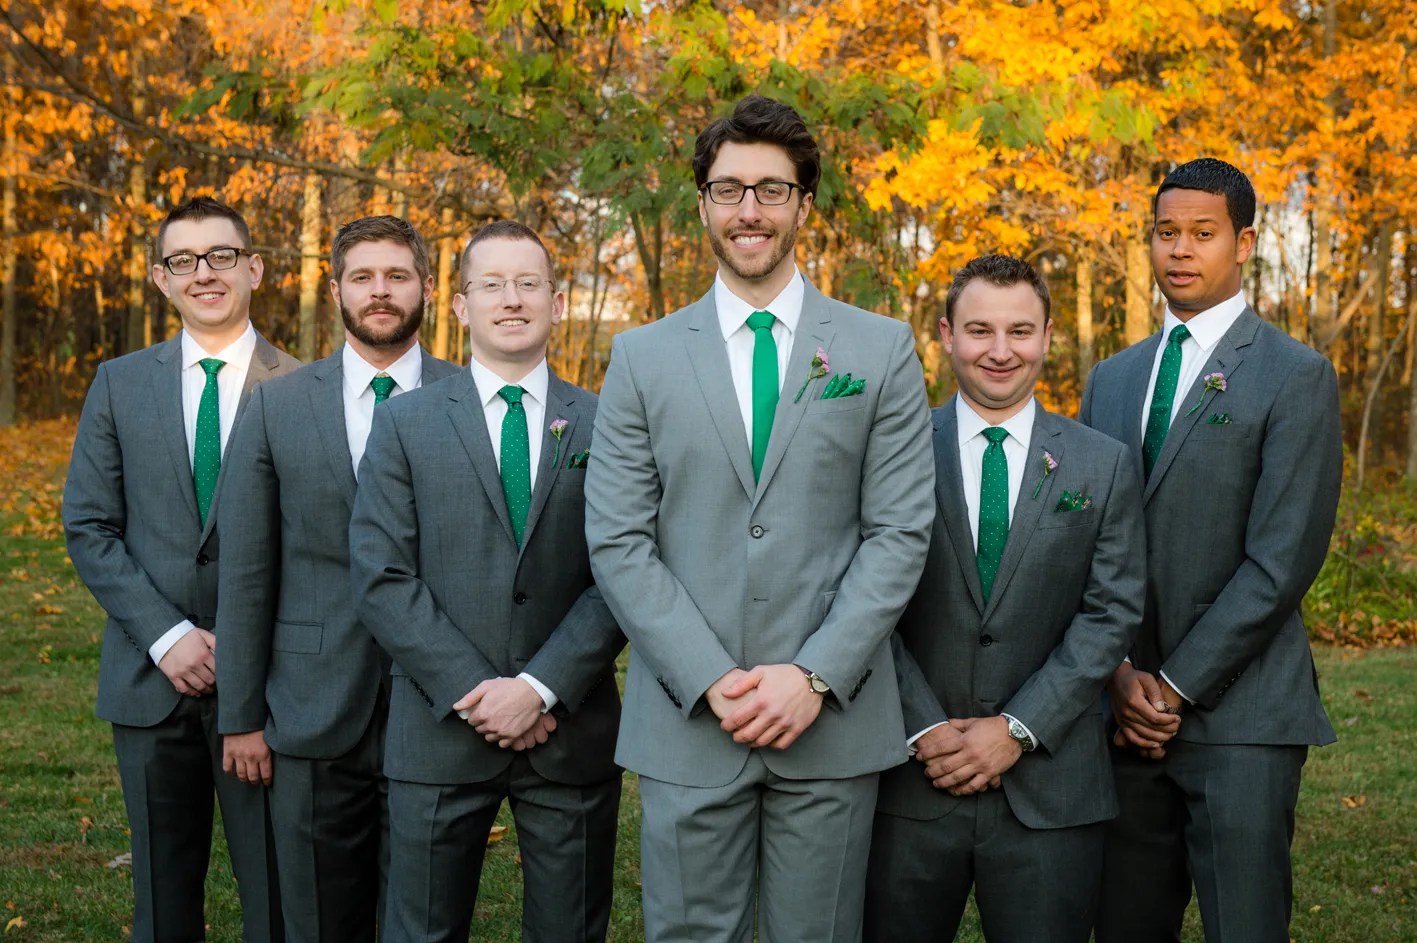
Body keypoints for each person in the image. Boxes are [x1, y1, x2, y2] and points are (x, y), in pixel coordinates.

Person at [584, 94, 935, 943]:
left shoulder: (879, 348)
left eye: (771, 190)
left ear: (803, 204)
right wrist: (711, 677)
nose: (749, 209)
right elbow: (618, 538)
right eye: (729, 189)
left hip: (830, 723)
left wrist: (811, 675)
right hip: (689, 721)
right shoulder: (640, 356)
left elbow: (898, 532)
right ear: (702, 203)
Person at [1080, 157, 1342, 942]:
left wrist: (1173, 686)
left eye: (1202, 233)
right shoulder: (1110, 379)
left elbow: (1280, 560)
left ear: (1244, 243)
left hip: (1242, 717)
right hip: (1122, 717)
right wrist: (1119, 675)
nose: (1180, 250)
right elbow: (1085, 543)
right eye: (1166, 232)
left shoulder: (1295, 376)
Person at [349, 220, 624, 942]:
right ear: (461, 306)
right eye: (492, 284)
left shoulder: (607, 424)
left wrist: (537, 688)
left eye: (528, 284)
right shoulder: (403, 423)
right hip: (440, 729)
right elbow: (382, 575)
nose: (511, 299)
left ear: (557, 303)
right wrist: (480, 693)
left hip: (569, 730)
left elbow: (622, 569)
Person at [862, 254, 1144, 942]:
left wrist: (1018, 727)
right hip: (908, 780)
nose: (999, 350)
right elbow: (859, 597)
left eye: (1019, 330)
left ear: (1047, 336)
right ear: (945, 335)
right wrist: (925, 728)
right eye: (979, 329)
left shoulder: (1102, 462)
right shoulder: (888, 449)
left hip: (1050, 789)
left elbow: (1111, 611)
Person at [214, 215, 460, 941]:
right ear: (335, 291)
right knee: (318, 918)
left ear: (427, 287)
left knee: (423, 918)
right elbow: (247, 569)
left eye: (397, 275)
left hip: (436, 703)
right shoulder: (277, 405)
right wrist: (240, 715)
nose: (380, 291)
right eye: (363, 277)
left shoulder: (470, 395)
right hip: (309, 702)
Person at [62, 195, 298, 942]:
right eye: (184, 260)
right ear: (161, 279)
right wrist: (168, 636)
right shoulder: (118, 382)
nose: (205, 273)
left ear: (254, 268)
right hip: (149, 680)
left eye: (222, 255)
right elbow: (90, 525)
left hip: (271, 690)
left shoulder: (304, 387)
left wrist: (244, 649)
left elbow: (318, 544)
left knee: (279, 898)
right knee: (162, 905)